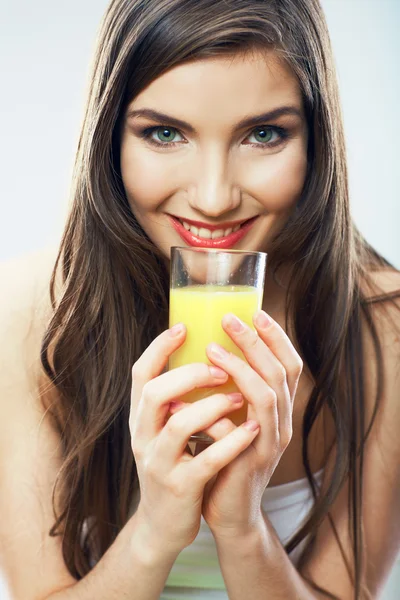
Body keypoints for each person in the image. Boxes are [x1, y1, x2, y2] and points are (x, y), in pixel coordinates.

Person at [1, 0, 399, 599]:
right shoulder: (32, 313)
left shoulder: (384, 328)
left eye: (264, 134)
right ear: (110, 139)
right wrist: (155, 530)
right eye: (165, 133)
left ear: (316, 141)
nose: (213, 199)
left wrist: (241, 528)